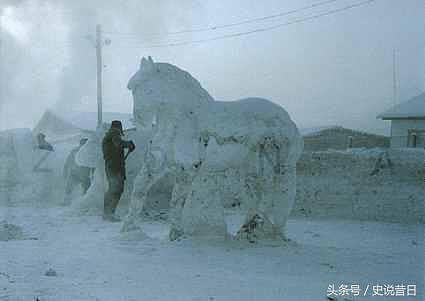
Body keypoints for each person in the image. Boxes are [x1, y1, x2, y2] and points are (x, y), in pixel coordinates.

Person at [102, 120, 135, 221]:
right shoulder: (114, 133)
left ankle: (107, 213)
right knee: (116, 189)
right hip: (115, 166)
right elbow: (118, 143)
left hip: (112, 165)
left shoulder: (109, 135)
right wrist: (128, 144)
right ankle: (109, 213)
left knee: (113, 188)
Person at [63, 138, 92, 203]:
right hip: (76, 174)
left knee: (85, 190)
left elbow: (92, 165)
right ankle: (67, 201)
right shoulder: (75, 151)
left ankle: (84, 202)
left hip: (83, 175)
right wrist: (65, 170)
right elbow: (68, 162)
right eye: (83, 143)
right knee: (69, 188)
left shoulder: (88, 152)